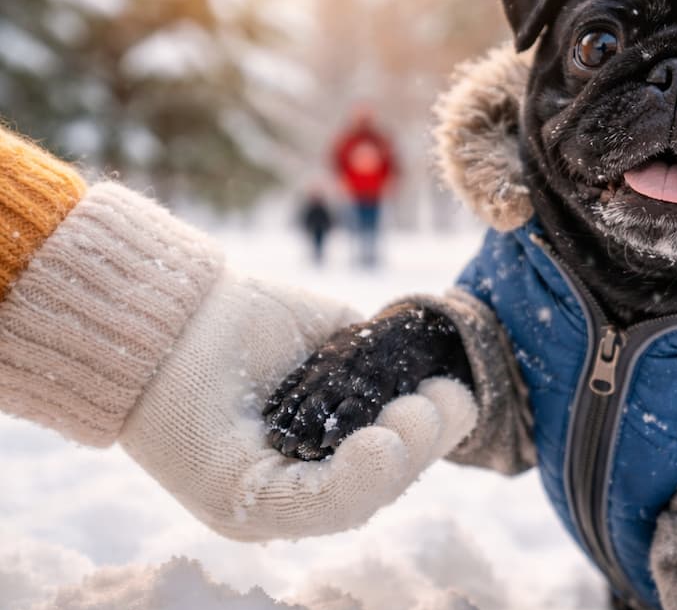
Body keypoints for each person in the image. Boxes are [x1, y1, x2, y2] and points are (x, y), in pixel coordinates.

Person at [0, 125, 476, 542]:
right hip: (359, 191)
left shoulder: (369, 142)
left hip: (366, 192)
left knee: (366, 227)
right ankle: (359, 249)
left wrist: (131, 305)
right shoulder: (357, 144)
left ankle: (366, 251)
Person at [332, 107, 396, 267]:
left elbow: (390, 163)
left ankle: (371, 255)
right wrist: (342, 181)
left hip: (375, 191)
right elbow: (338, 163)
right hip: (355, 191)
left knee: (373, 224)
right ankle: (357, 255)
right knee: (355, 224)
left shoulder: (380, 140)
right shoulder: (347, 140)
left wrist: (389, 181)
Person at [299, 187, 334, 264]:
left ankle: (319, 253)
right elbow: (308, 218)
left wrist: (328, 225)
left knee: (320, 241)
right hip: (314, 228)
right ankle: (316, 253)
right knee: (315, 241)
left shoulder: (322, 208)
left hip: (321, 228)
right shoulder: (311, 208)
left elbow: (326, 217)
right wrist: (307, 226)